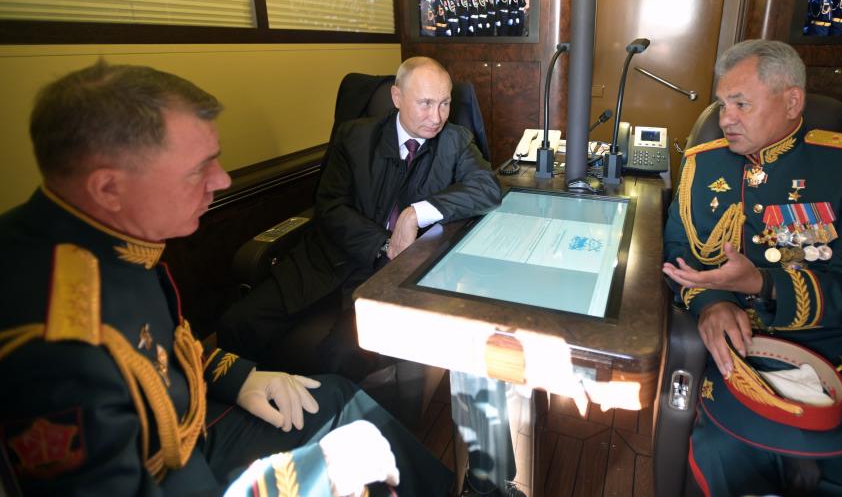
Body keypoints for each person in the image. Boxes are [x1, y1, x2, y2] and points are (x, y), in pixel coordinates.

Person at [0, 61, 452, 496]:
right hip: (178, 472)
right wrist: (310, 478)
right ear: (109, 188)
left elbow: (160, 354)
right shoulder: (55, 340)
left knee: (335, 397)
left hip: (190, 427)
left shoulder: (108, 241)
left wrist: (242, 378)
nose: (221, 180)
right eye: (199, 168)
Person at [662, 40, 842, 496]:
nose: (726, 117)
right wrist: (711, 303)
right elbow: (679, 251)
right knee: (715, 465)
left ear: (792, 101)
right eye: (722, 104)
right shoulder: (703, 163)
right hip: (743, 362)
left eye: (741, 104)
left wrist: (765, 284)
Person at [217, 57, 501, 382]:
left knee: (341, 355)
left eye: (445, 104)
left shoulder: (455, 140)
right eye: (425, 104)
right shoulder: (354, 136)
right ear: (397, 98)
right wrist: (382, 242)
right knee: (237, 325)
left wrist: (415, 213)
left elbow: (487, 188)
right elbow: (329, 205)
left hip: (390, 275)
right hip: (327, 259)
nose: (436, 117)